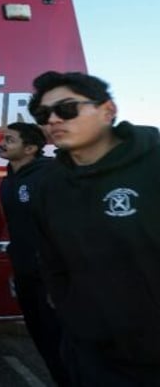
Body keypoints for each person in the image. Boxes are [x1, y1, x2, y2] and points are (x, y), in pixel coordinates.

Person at [28, 71, 160, 386]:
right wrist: (74, 316)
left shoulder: (154, 165)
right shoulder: (49, 186)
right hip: (92, 358)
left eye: (67, 108)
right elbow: (52, 262)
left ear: (107, 111)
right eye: (43, 115)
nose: (54, 120)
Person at [0, 122, 69, 386]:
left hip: (50, 278)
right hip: (26, 275)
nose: (2, 144)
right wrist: (17, 269)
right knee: (42, 341)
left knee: (62, 343)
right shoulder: (8, 182)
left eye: (10, 140)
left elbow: (63, 230)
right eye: (3, 138)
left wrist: (58, 279)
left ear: (30, 148)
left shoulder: (48, 176)